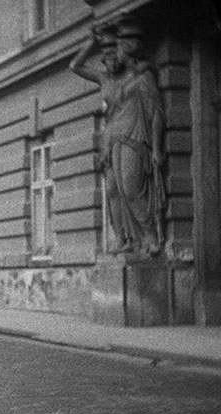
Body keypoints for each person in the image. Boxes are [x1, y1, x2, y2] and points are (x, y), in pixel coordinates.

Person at [104, 18, 166, 256]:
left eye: (118, 47)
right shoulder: (124, 81)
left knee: (132, 189)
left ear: (128, 49)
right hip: (118, 142)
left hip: (135, 140)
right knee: (121, 192)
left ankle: (151, 236)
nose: (115, 52)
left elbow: (157, 113)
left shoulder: (144, 79)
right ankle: (137, 239)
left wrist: (158, 148)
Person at [70, 24, 131, 252]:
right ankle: (121, 237)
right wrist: (91, 43)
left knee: (129, 187)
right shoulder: (104, 79)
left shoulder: (130, 77)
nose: (111, 59)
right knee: (113, 190)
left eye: (114, 55)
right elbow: (75, 65)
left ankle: (134, 236)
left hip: (128, 135)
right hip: (109, 138)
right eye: (107, 56)